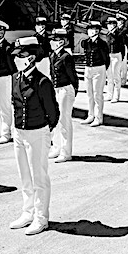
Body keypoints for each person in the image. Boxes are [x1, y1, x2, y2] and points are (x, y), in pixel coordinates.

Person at [10, 37, 59, 235]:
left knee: (39, 177)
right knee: (24, 176)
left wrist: (46, 132)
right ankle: (28, 211)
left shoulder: (42, 82)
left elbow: (53, 112)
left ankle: (41, 217)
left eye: (20, 56)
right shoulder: (16, 77)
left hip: (37, 132)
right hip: (19, 133)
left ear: (30, 58)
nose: (16, 60)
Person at [49, 28, 79, 163]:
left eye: (54, 40)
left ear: (61, 41)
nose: (51, 41)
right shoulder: (53, 55)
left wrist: (73, 91)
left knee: (64, 121)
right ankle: (56, 147)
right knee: (56, 119)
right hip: (56, 89)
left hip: (65, 90)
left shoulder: (66, 57)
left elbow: (73, 76)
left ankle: (66, 152)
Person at [81, 21, 110, 127]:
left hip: (99, 68)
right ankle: (90, 115)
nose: (92, 31)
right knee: (89, 94)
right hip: (88, 68)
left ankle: (99, 117)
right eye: (90, 29)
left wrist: (103, 69)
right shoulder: (86, 42)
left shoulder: (102, 43)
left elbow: (106, 58)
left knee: (97, 94)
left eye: (94, 29)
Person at [104, 16, 125, 102]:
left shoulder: (119, 34)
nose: (109, 26)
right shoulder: (108, 34)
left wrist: (121, 58)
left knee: (116, 76)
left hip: (116, 55)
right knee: (109, 76)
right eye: (108, 24)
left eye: (111, 24)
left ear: (114, 25)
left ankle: (116, 95)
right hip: (109, 56)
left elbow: (122, 47)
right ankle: (109, 94)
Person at [117, 13, 128, 85]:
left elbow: (127, 41)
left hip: (123, 47)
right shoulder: (116, 29)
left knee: (123, 64)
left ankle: (123, 80)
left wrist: (127, 49)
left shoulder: (125, 30)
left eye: (119, 20)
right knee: (117, 64)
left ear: (122, 21)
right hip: (117, 47)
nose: (118, 22)